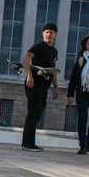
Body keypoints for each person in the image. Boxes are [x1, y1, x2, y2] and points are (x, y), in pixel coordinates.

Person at [21, 23, 59, 152]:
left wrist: (56, 87)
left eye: (51, 32)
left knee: (38, 113)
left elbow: (53, 70)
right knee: (33, 112)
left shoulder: (54, 51)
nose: (49, 35)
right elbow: (25, 58)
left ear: (55, 34)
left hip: (44, 86)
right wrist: (29, 75)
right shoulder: (38, 46)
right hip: (34, 84)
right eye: (47, 32)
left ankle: (30, 142)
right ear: (43, 33)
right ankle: (27, 143)